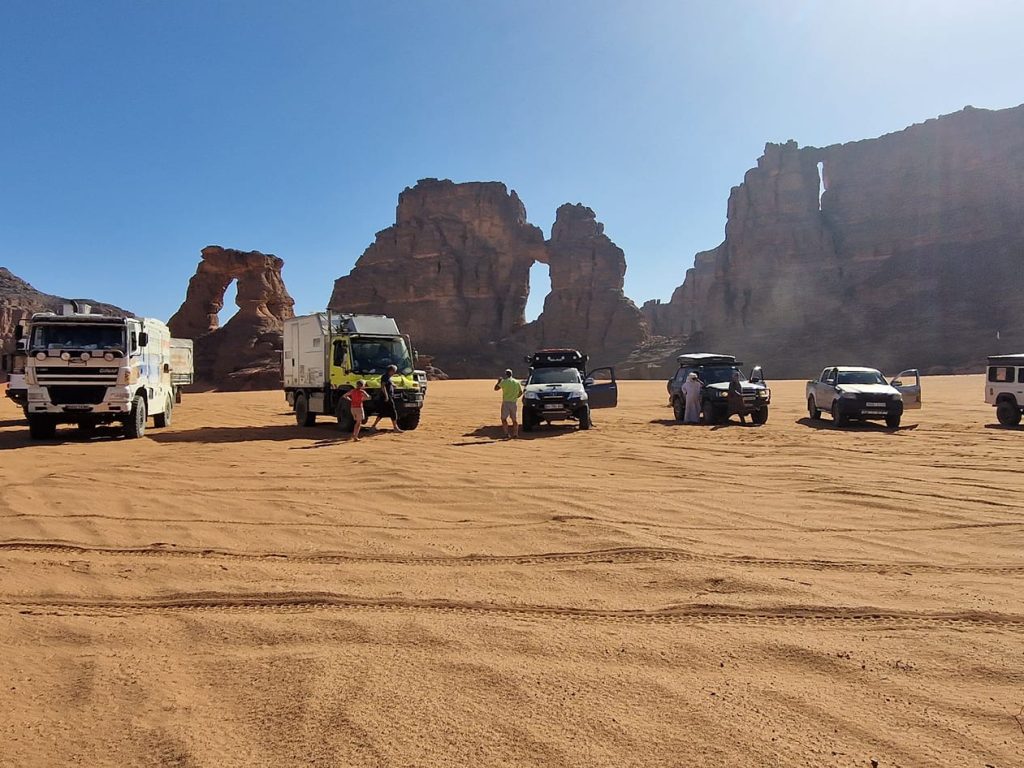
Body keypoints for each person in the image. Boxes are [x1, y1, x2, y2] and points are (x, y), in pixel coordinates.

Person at [369, 364, 403, 432]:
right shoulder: (385, 377)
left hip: (387, 397)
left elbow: (389, 383)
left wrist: (393, 385)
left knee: (382, 412)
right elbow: (383, 386)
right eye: (394, 371)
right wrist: (386, 396)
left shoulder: (388, 377)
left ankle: (373, 426)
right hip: (387, 397)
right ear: (390, 371)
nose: (394, 373)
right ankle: (395, 428)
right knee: (393, 412)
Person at [494, 368, 523, 439]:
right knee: (514, 419)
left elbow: (496, 388)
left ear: (506, 374)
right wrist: (515, 397)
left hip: (506, 402)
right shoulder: (517, 382)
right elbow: (520, 392)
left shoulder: (504, 382)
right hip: (513, 402)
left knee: (503, 419)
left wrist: (499, 381)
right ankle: (515, 434)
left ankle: (506, 433)